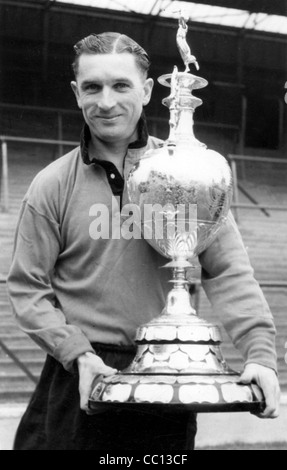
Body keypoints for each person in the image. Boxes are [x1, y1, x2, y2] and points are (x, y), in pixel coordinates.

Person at [7, 32, 280, 451]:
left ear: (149, 90)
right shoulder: (52, 185)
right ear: (76, 93)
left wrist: (260, 355)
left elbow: (228, 272)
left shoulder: (189, 177)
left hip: (168, 373)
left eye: (121, 85)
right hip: (80, 373)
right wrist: (76, 353)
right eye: (93, 87)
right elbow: (28, 287)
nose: (106, 101)